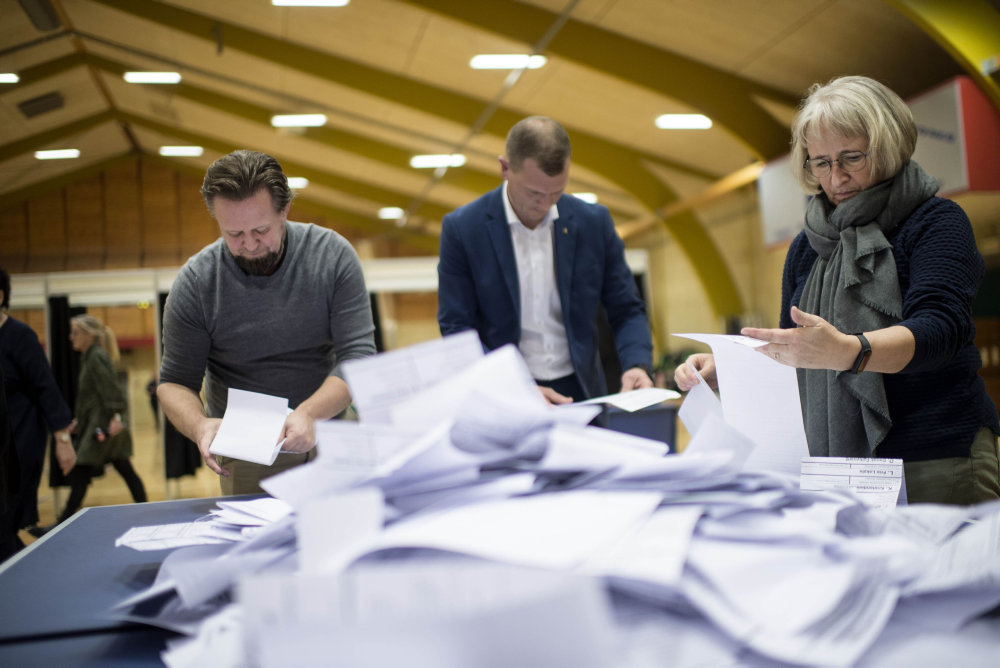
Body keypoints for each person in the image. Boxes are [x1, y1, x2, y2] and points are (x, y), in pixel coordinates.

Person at [675, 75, 1000, 505]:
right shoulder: (807, 247)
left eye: (851, 157)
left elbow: (940, 329)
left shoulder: (934, 221)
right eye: (821, 162)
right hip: (838, 471)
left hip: (936, 456)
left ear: (886, 147)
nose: (837, 177)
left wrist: (850, 350)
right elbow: (795, 349)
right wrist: (727, 370)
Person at [157, 149, 377, 495]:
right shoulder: (197, 284)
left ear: (285, 210)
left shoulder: (332, 256)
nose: (249, 244)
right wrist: (199, 426)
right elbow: (174, 383)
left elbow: (358, 356)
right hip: (248, 450)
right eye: (234, 234)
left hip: (332, 431)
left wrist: (308, 414)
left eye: (261, 230)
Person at [438, 116, 654, 403]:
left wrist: (637, 364)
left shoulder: (593, 222)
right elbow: (457, 329)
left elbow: (626, 308)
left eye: (558, 191)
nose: (546, 204)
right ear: (505, 168)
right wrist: (515, 387)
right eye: (534, 193)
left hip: (582, 390)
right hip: (507, 391)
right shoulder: (464, 229)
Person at [0, 267, 76, 545]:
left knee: (4, 529)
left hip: (19, 449)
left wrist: (63, 440)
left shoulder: (19, 336)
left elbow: (47, 388)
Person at [55, 314, 146, 524]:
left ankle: (61, 522)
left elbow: (112, 390)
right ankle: (145, 507)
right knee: (123, 468)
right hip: (99, 425)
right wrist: (80, 420)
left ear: (89, 334)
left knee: (82, 467)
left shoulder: (96, 356)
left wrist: (116, 417)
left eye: (75, 333)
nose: (71, 337)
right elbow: (93, 396)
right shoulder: (89, 357)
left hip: (103, 428)